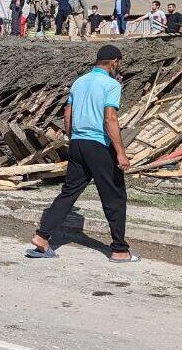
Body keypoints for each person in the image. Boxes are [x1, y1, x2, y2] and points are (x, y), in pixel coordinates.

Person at [26, 45, 136, 262]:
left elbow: (68, 114)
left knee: (69, 192)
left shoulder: (79, 82)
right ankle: (120, 249)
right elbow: (110, 119)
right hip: (99, 146)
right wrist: (121, 153)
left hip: (77, 143)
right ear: (114, 62)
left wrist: (73, 138)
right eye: (119, 64)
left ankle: (42, 236)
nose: (118, 67)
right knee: (114, 196)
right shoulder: (111, 85)